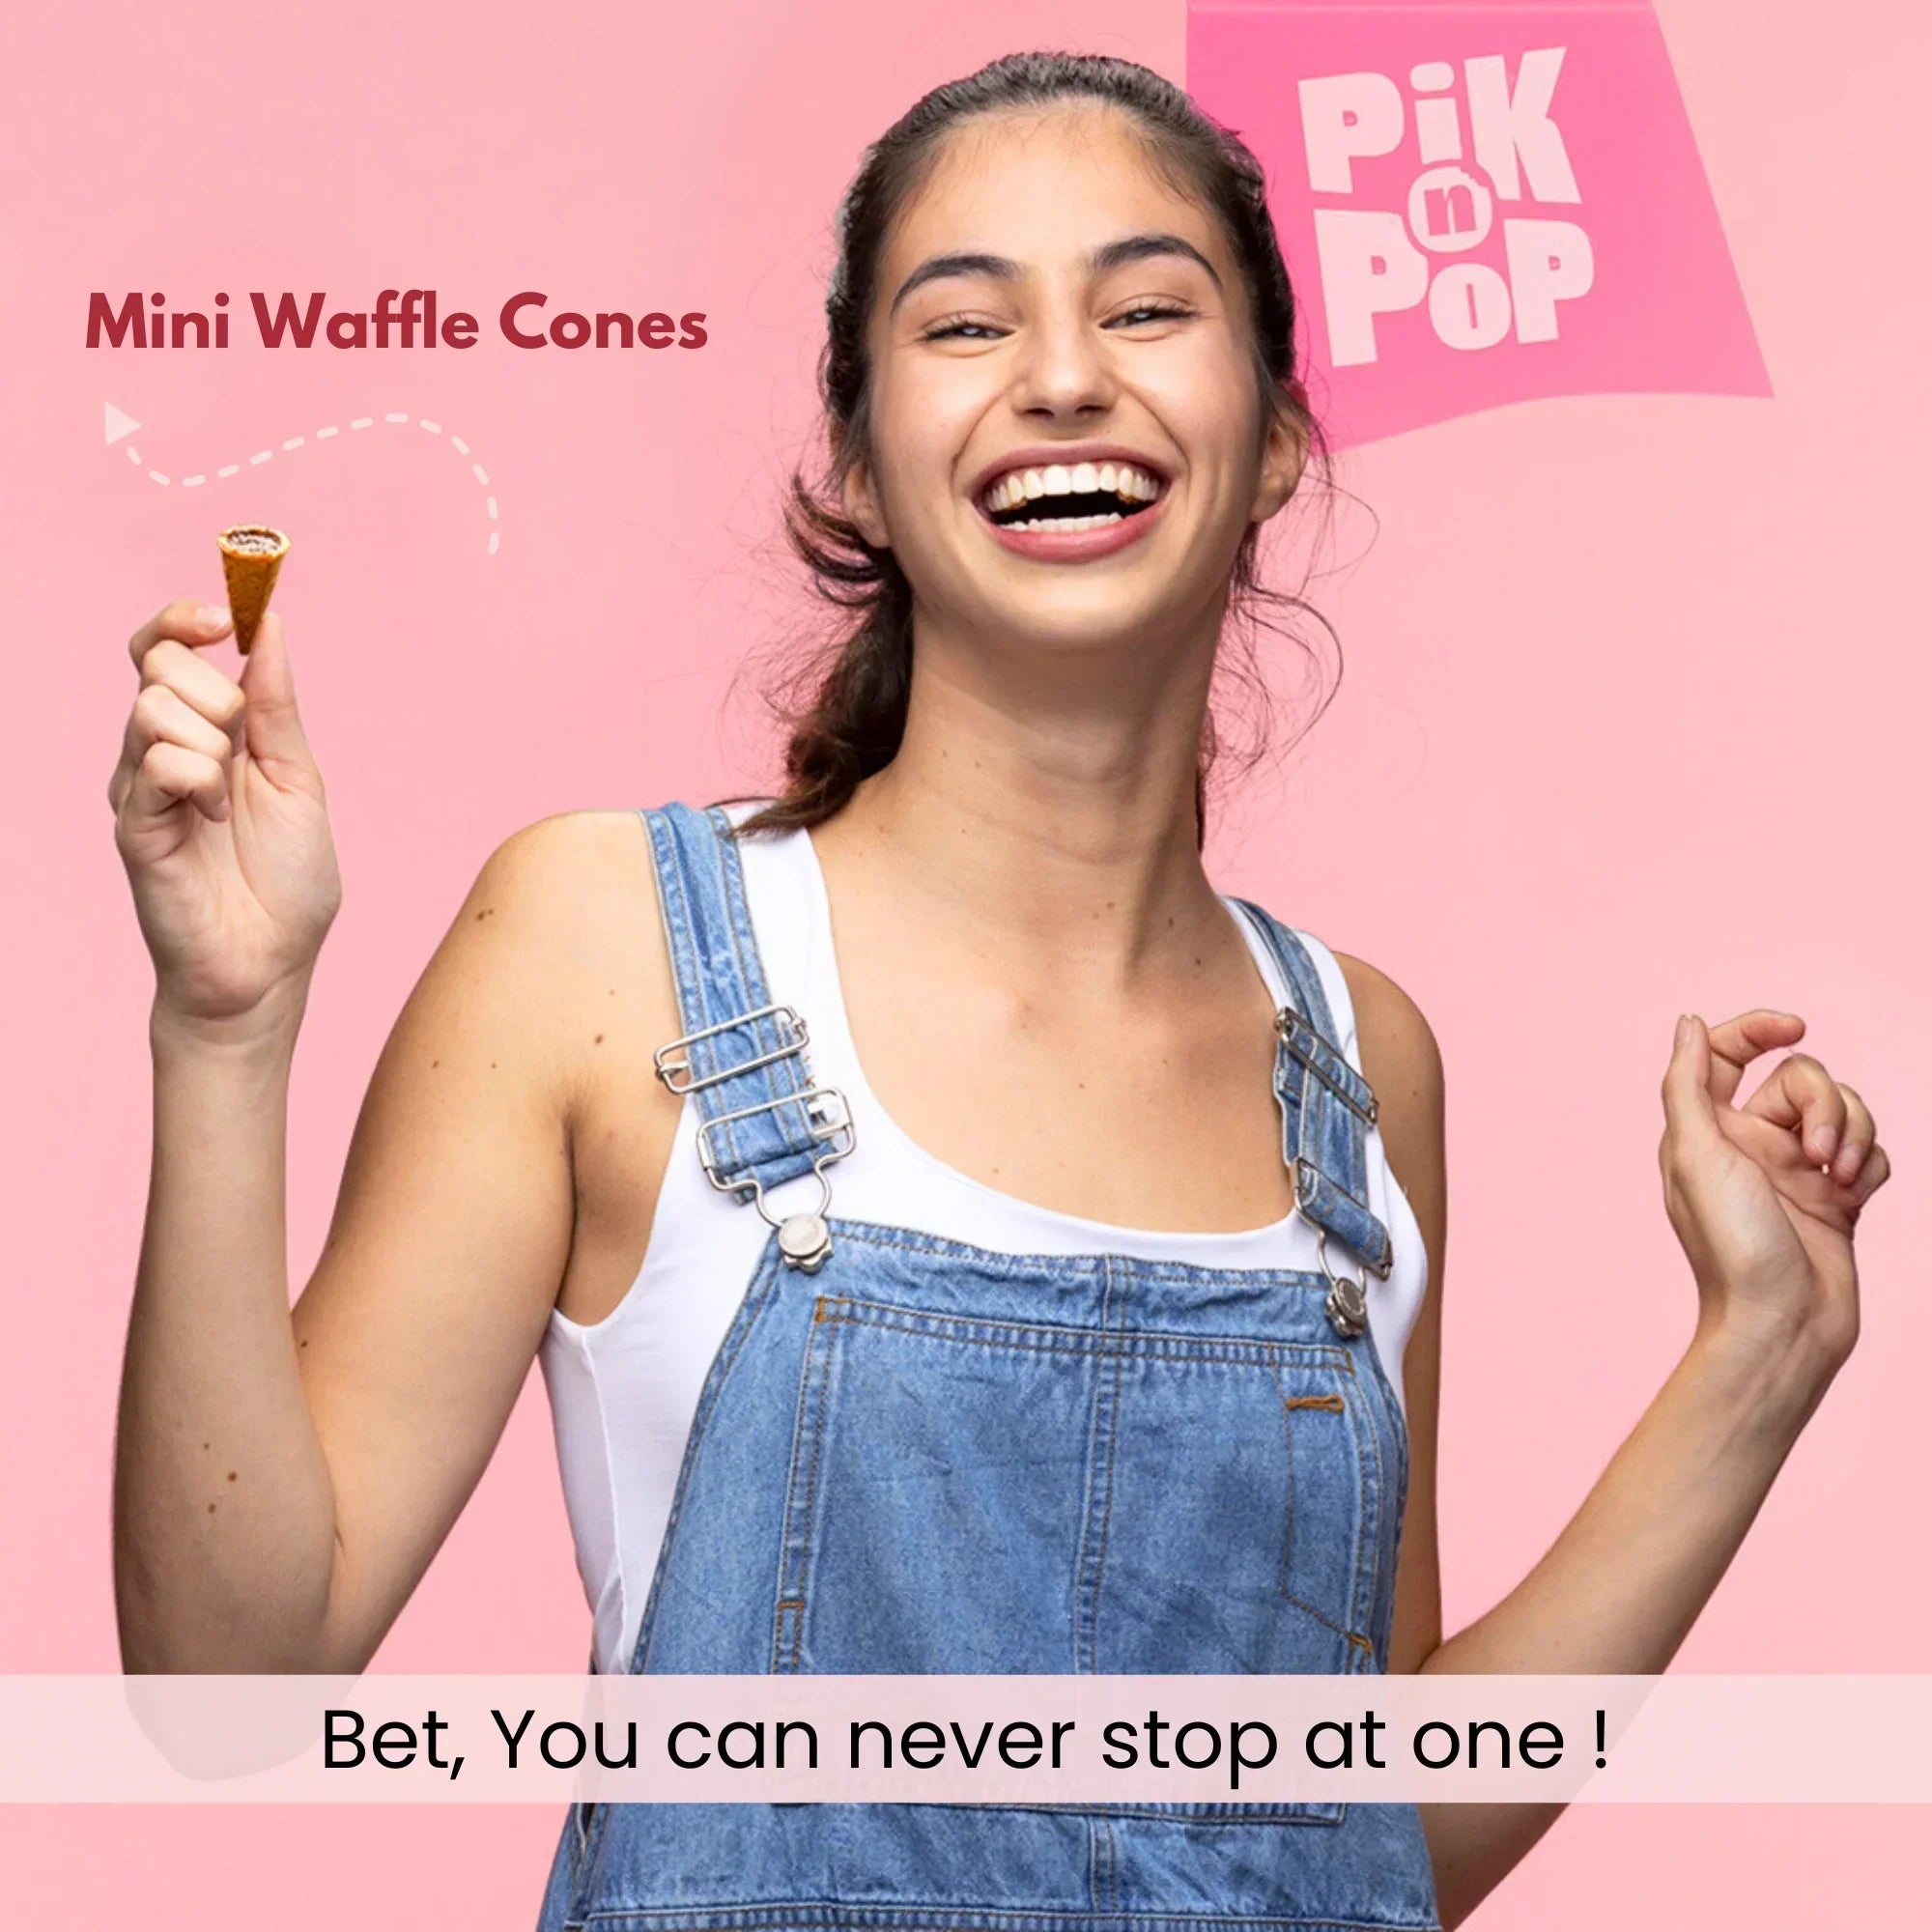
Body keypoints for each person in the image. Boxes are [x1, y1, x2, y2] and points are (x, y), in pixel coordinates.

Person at [107, 50, 1888, 1932]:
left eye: (1144, 305)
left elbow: (1347, 1834)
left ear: (1275, 427)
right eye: (965, 321)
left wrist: (1758, 1354)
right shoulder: (604, 943)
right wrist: (225, 1025)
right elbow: (232, 1687)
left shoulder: (1360, 1067)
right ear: (862, 456)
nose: (1060, 374)